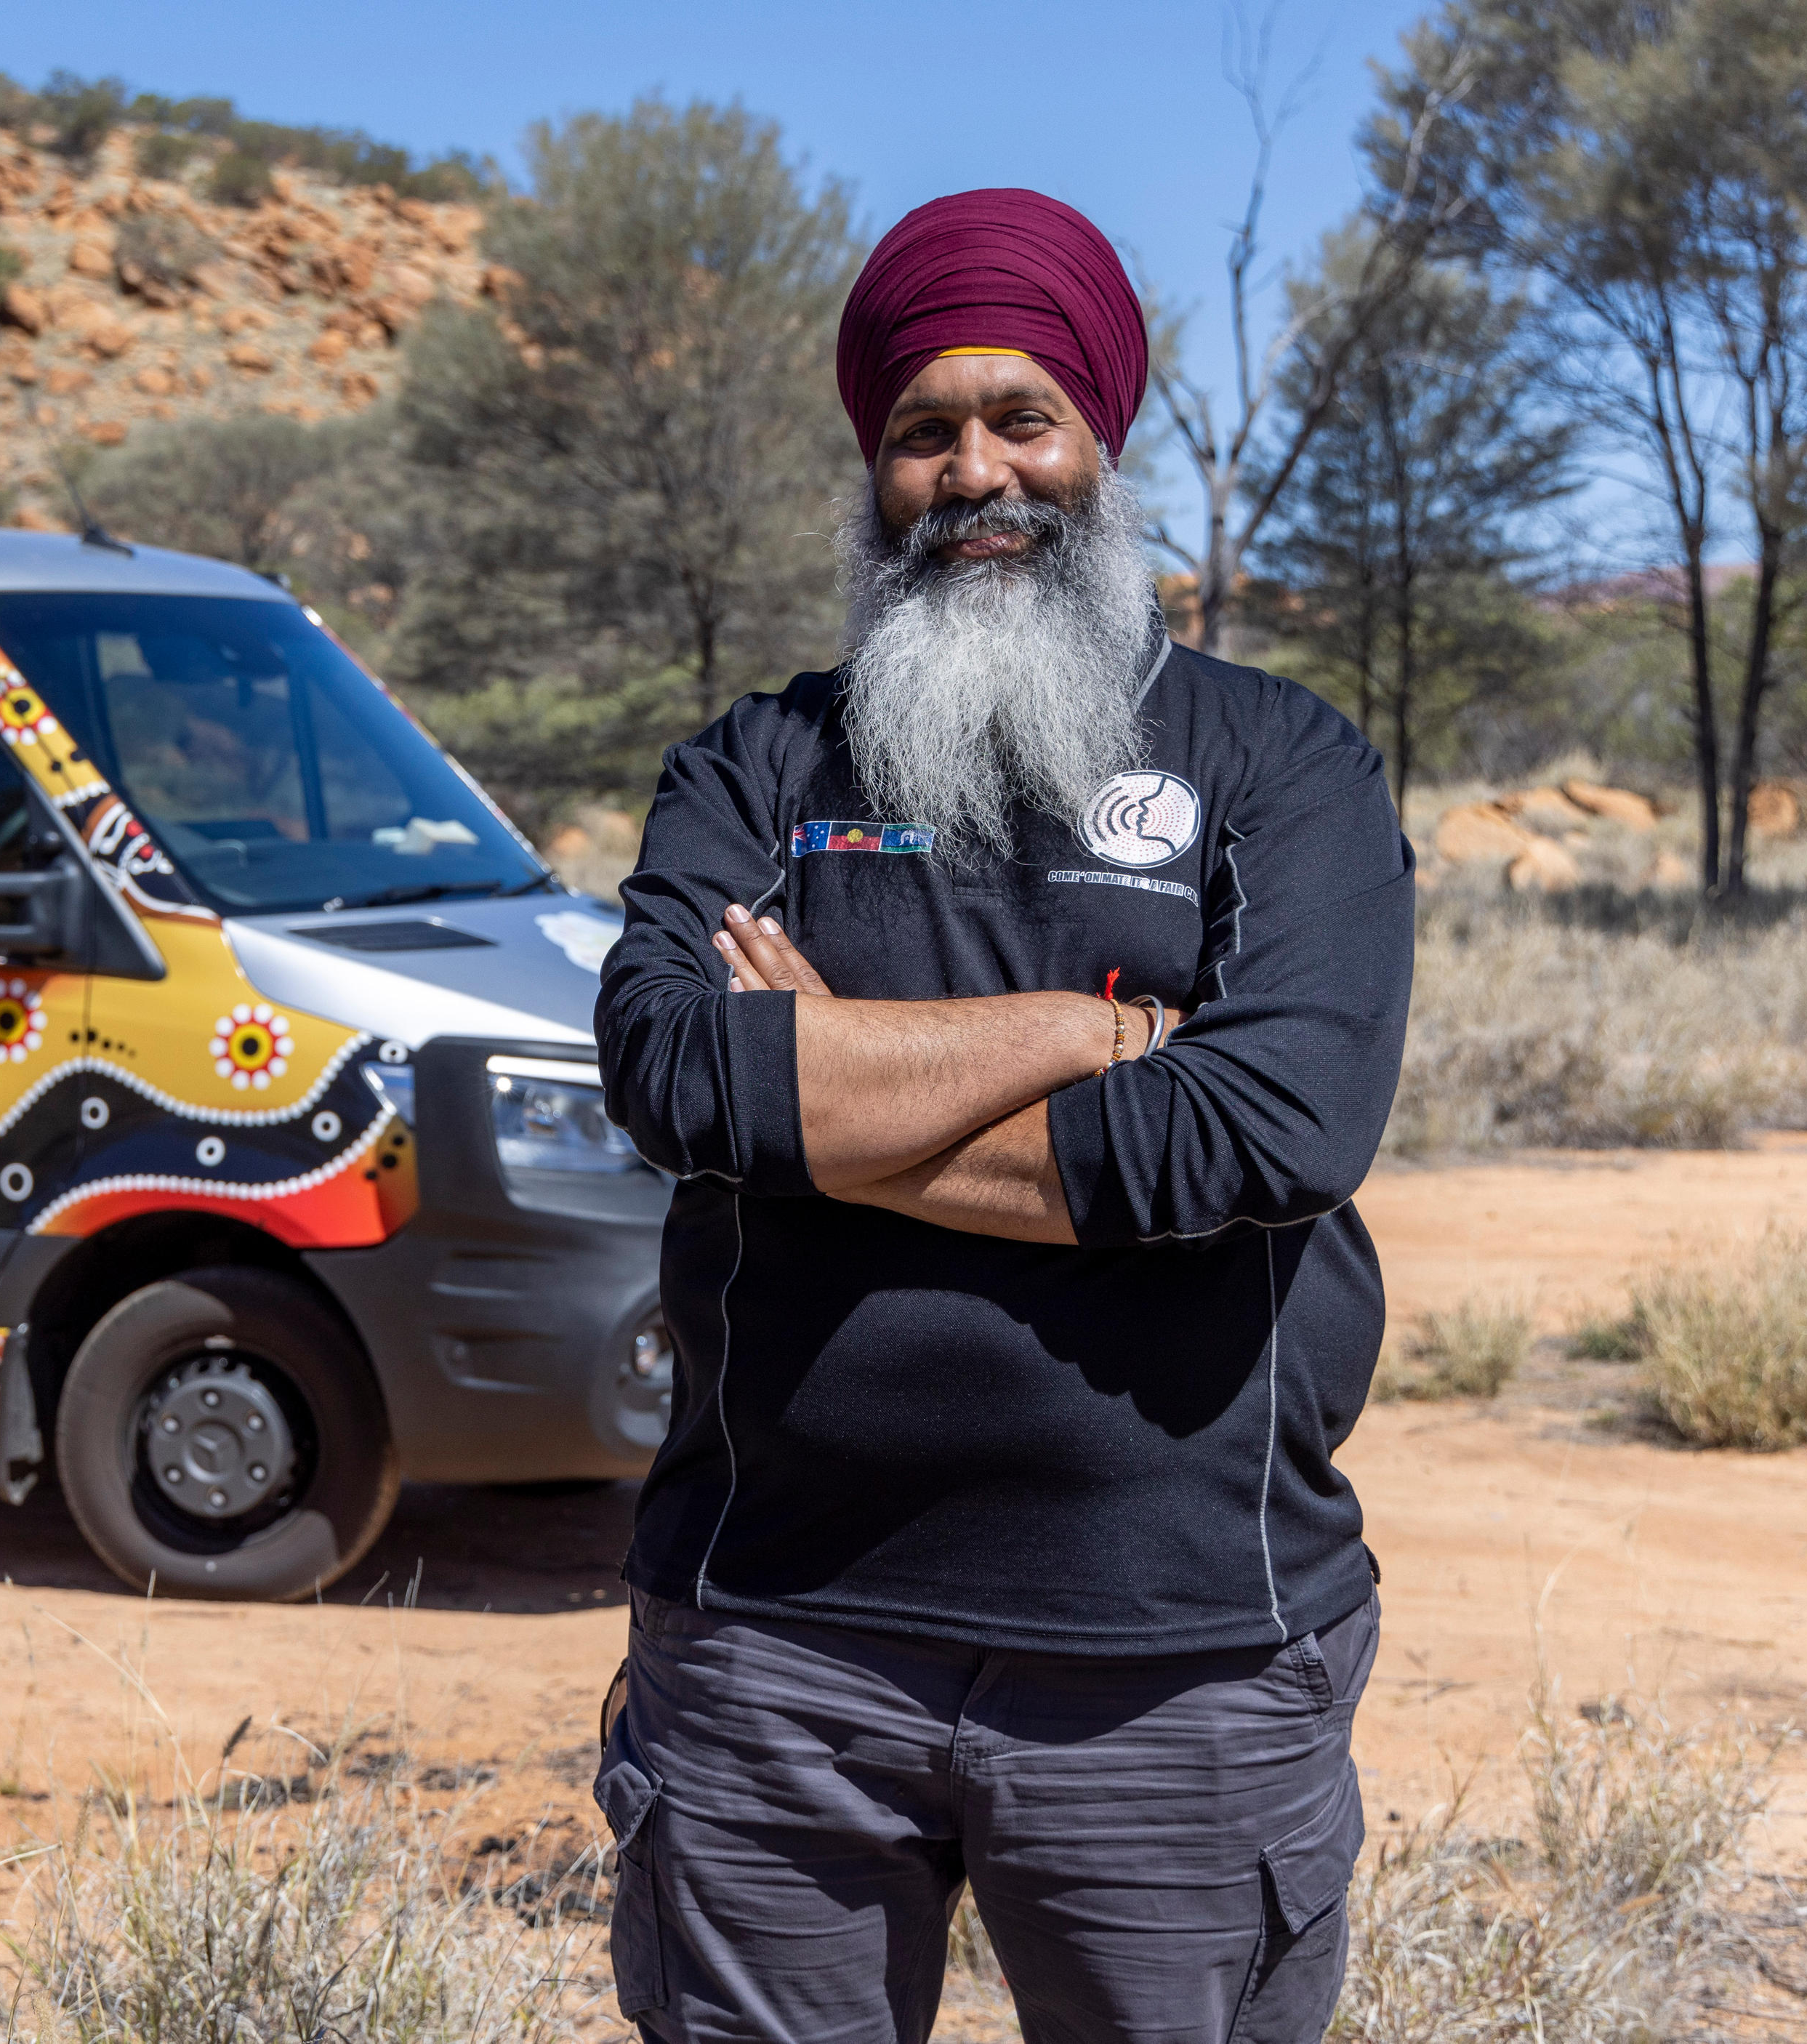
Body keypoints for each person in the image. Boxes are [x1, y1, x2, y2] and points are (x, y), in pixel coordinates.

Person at [589, 188, 1413, 2044]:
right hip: (773, 1635)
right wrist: (1088, 1027)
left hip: (1177, 1651)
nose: (975, 473)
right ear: (872, 465)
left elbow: (1266, 1130)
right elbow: (668, 1068)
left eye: (1018, 418)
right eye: (920, 432)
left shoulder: (1277, 762)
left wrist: (823, 1093)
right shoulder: (755, 765)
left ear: (1097, 440)